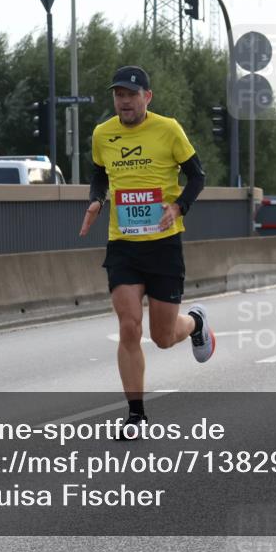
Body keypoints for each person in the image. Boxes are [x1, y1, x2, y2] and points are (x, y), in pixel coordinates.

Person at [79, 65, 213, 437]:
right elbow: (99, 173)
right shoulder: (102, 134)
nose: (124, 101)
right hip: (123, 245)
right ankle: (136, 414)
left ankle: (196, 323)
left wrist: (179, 206)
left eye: (131, 95)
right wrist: (96, 199)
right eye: (118, 95)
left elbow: (198, 176)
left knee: (163, 337)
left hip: (163, 245)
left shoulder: (168, 129)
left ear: (146, 97)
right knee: (128, 327)